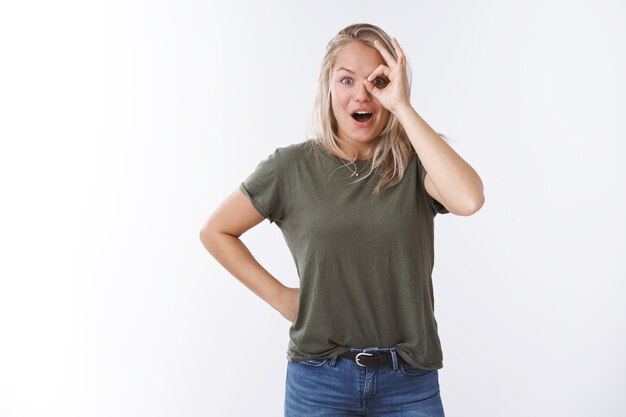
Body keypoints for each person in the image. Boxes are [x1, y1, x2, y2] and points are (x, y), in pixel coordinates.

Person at [200, 23, 484, 417]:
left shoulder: (417, 163)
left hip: (409, 382)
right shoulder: (290, 168)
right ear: (328, 88)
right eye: (346, 79)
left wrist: (402, 107)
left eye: (377, 80)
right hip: (319, 380)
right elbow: (216, 231)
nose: (361, 94)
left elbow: (469, 199)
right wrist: (280, 296)